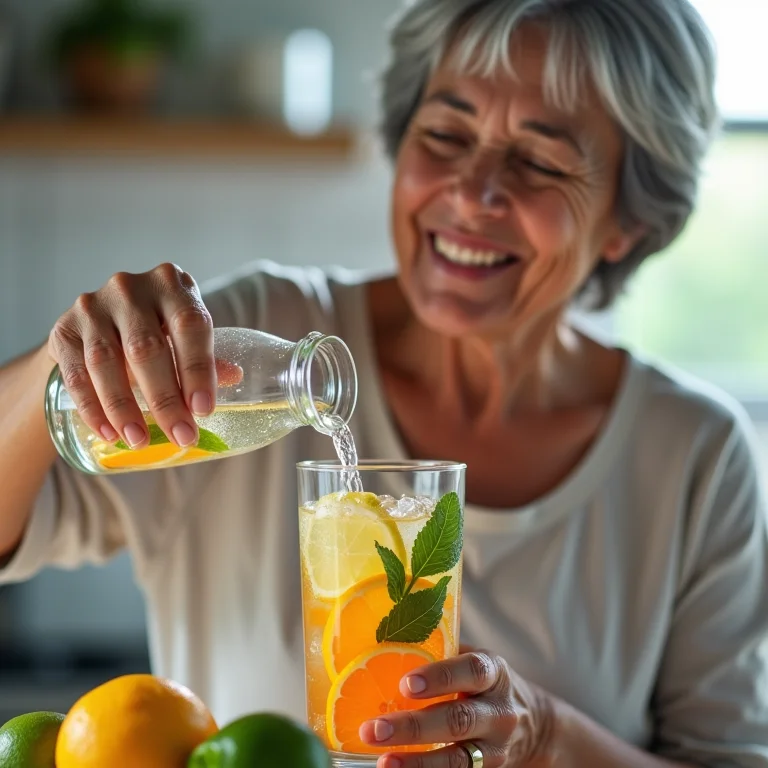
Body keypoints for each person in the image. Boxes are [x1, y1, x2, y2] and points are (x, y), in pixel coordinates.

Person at [1, 0, 767, 765]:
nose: (472, 193)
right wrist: (55, 368)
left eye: (538, 161)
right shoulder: (250, 350)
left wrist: (544, 737)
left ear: (627, 220)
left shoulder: (694, 455)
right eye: (445, 135)